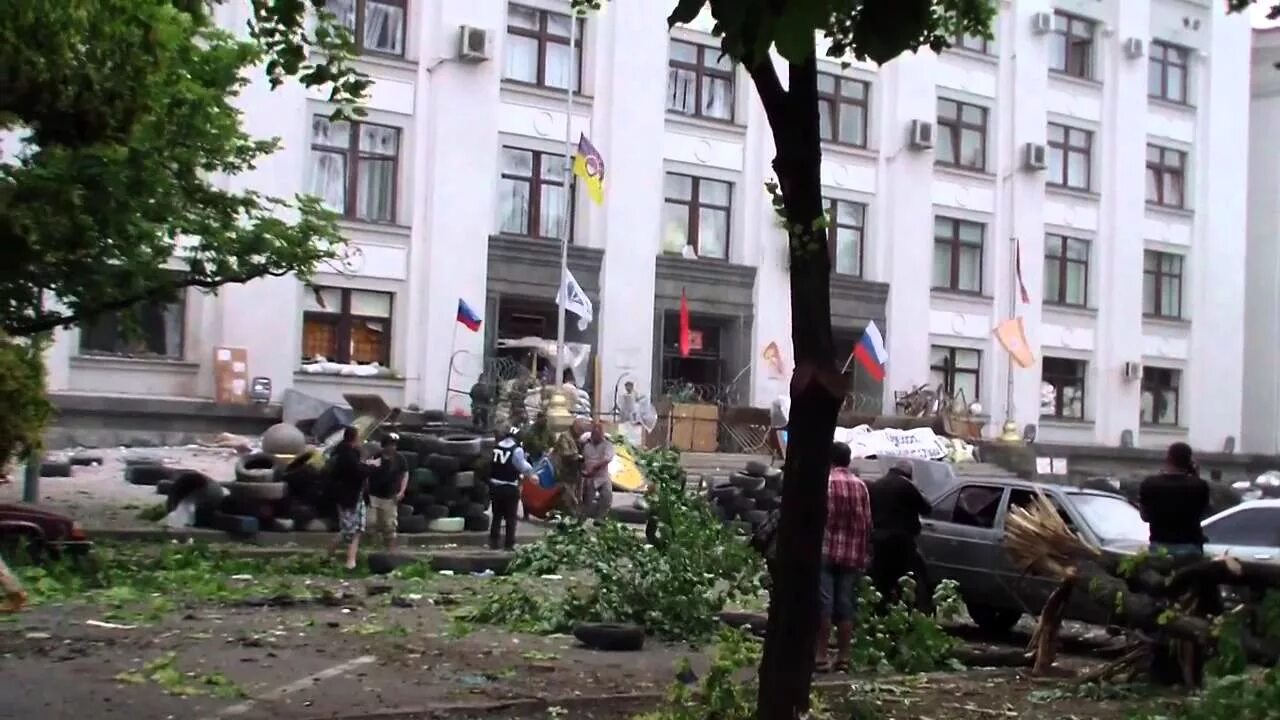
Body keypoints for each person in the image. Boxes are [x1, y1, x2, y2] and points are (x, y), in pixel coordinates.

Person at [816, 441, 872, 674]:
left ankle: (820, 656)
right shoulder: (861, 486)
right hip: (852, 554)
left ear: (829, 460)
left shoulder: (825, 483)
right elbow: (867, 523)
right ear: (848, 461)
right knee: (846, 604)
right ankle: (844, 657)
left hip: (826, 551)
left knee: (824, 604)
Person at [867, 461, 932, 610]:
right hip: (901, 540)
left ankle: (880, 610)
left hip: (879, 539)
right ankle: (905, 610)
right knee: (907, 578)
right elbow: (926, 508)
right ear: (908, 473)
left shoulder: (878, 484)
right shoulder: (906, 485)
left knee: (881, 578)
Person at [1139, 441, 1211, 560]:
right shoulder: (1199, 485)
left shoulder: (1150, 484)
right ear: (1189, 461)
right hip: (1190, 546)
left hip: (1160, 544)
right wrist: (1195, 476)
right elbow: (1204, 513)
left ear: (1168, 458)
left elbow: (1144, 517)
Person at [327, 426, 368, 570]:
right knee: (348, 530)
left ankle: (351, 561)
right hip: (347, 497)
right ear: (355, 438)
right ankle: (329, 554)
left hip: (357, 496)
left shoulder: (350, 453)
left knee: (357, 528)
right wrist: (370, 467)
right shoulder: (346, 454)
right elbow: (357, 472)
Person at [489, 427, 536, 550]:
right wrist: (531, 472)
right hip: (509, 486)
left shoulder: (497, 446)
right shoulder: (517, 450)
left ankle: (493, 542)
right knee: (511, 517)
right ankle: (509, 544)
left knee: (497, 515)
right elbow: (523, 467)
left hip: (495, 485)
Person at [365, 434, 408, 551]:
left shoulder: (399, 458)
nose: (392, 447)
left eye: (394, 445)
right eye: (390, 445)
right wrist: (366, 490)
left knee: (390, 526)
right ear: (384, 446)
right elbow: (366, 474)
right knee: (371, 523)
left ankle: (391, 551)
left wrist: (402, 491)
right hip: (374, 495)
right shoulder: (376, 457)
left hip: (391, 496)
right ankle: (373, 548)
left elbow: (405, 474)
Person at [580, 420, 616, 520]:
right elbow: (582, 459)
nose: (596, 435)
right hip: (589, 477)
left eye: (598, 432)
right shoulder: (586, 445)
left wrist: (595, 467)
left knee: (606, 496)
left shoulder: (607, 445)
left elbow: (607, 459)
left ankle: (600, 519)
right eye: (594, 432)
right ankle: (582, 520)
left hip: (602, 476)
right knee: (587, 500)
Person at [553, 417, 588, 515]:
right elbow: (565, 453)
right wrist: (579, 456)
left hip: (576, 471)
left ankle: (573, 514)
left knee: (577, 495)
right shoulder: (565, 436)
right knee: (568, 495)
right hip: (565, 470)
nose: (582, 431)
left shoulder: (579, 438)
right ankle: (569, 515)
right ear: (575, 426)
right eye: (581, 429)